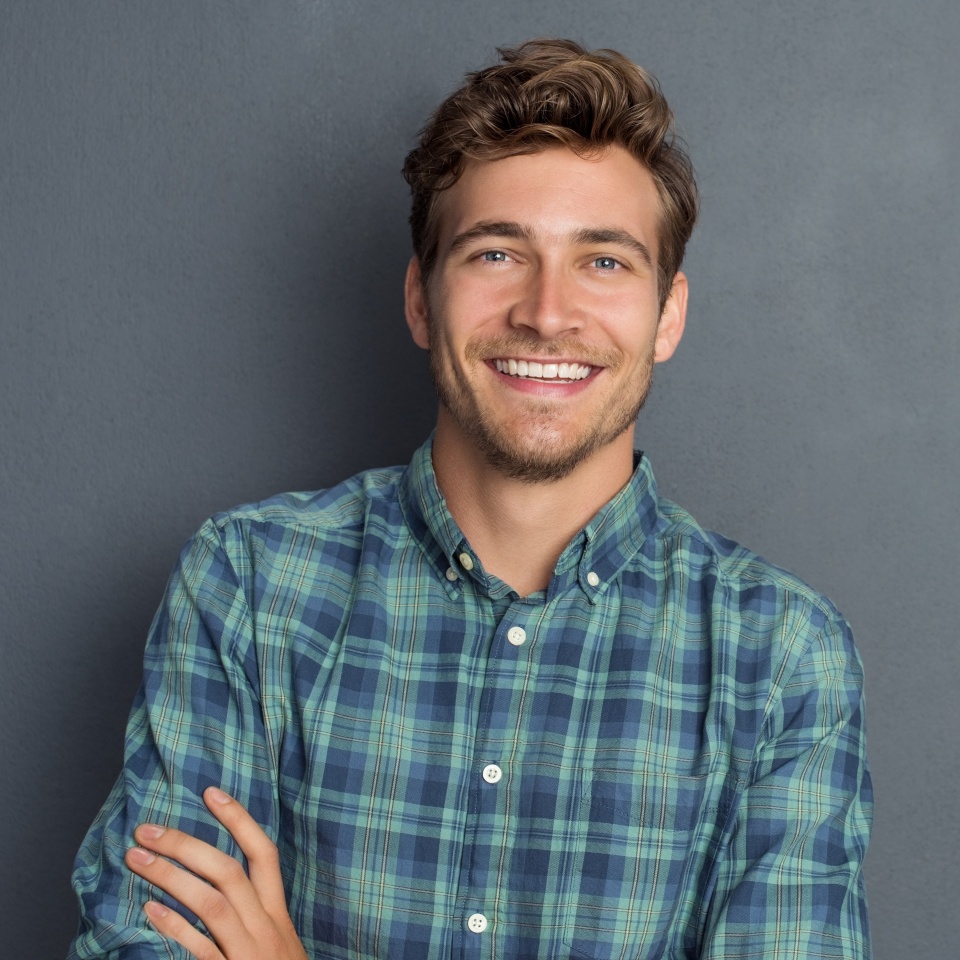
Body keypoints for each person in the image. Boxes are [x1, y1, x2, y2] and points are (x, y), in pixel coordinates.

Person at [69, 38, 872, 960]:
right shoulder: (250, 585)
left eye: (604, 262)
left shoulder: (780, 658)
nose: (546, 311)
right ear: (421, 299)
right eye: (497, 252)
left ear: (669, 315)